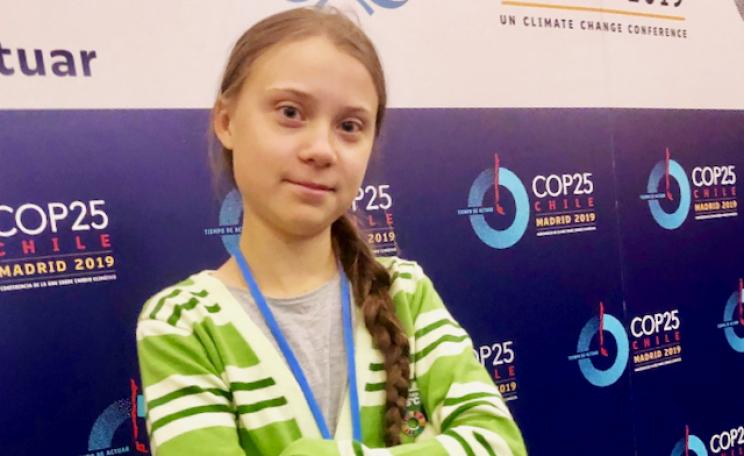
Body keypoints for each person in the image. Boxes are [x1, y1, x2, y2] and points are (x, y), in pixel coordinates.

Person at [136, 6, 526, 456]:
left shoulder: (405, 291)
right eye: (290, 112)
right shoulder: (183, 321)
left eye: (349, 126)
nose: (321, 150)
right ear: (226, 122)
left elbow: (500, 444)